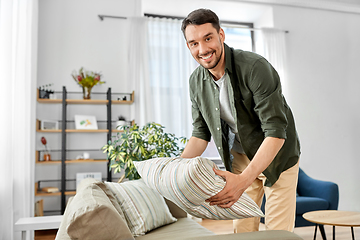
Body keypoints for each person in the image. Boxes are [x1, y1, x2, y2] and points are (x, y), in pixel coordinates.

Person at [180, 8, 301, 233]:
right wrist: (174, 171)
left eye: (208, 38)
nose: (203, 49)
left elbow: (275, 131)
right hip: (240, 155)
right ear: (188, 46)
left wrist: (242, 182)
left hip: (277, 156)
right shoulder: (196, 82)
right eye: (194, 43)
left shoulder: (255, 68)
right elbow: (200, 134)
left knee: (278, 234)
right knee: (243, 231)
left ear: (221, 35)